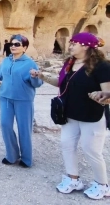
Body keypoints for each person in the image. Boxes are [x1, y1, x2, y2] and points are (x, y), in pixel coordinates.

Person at [37, 32, 110, 199]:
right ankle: (73, 179)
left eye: (74, 43)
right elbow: (61, 82)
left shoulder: (102, 66)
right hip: (70, 114)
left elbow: (108, 93)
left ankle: (102, 185)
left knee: (91, 150)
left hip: (91, 115)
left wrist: (101, 95)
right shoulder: (69, 63)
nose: (70, 46)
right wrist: (42, 76)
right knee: (67, 145)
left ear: (86, 46)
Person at [0, 34, 42, 168]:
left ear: (24, 48)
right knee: (5, 125)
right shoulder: (6, 61)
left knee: (24, 129)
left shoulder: (30, 63)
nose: (13, 46)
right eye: (11, 44)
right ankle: (12, 155)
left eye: (17, 44)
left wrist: (34, 77)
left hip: (23, 100)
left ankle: (26, 158)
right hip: (5, 98)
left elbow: (37, 83)